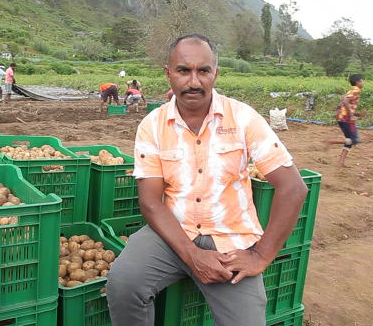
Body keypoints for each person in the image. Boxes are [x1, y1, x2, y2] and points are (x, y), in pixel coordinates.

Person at [106, 34, 309, 326]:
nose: (193, 82)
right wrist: (192, 255)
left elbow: (293, 187)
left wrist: (261, 255)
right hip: (172, 233)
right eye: (183, 70)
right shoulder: (152, 124)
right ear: (168, 73)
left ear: (216, 73)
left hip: (230, 239)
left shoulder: (243, 118)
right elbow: (150, 201)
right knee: (123, 283)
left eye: (203, 70)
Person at [326, 73, 365, 167]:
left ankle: (341, 162)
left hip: (343, 117)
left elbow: (343, 104)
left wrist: (357, 114)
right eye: (362, 80)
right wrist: (352, 116)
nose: (363, 82)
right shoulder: (356, 90)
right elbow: (344, 101)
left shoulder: (352, 90)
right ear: (358, 82)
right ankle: (331, 141)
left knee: (349, 140)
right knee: (354, 140)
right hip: (346, 119)